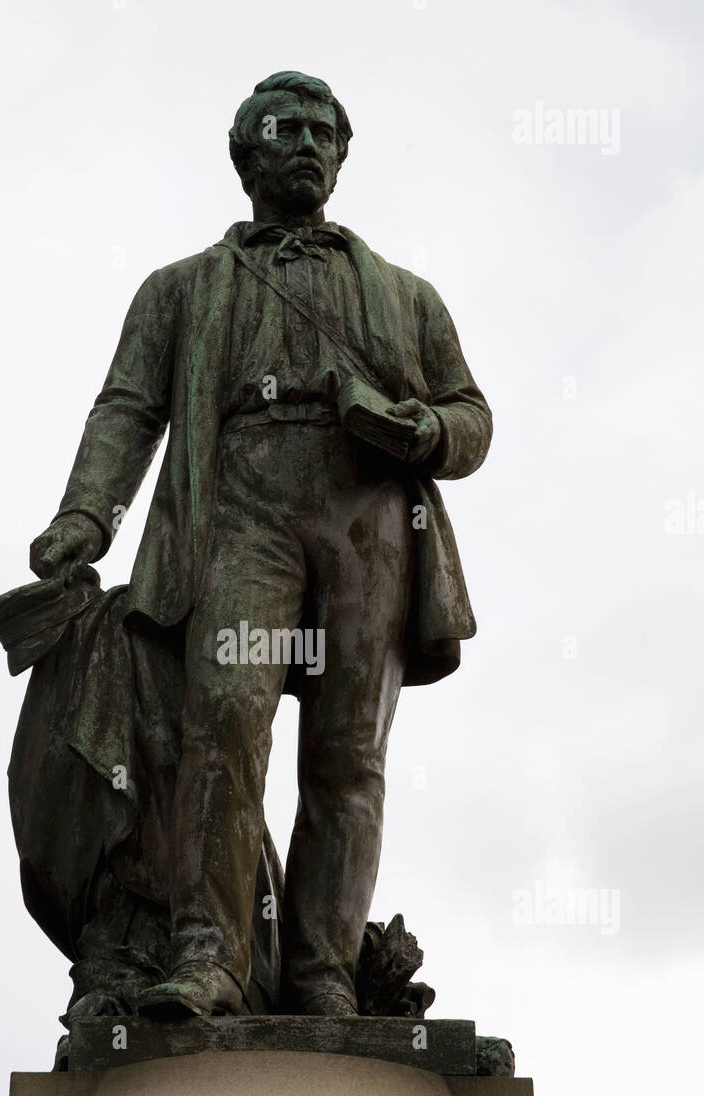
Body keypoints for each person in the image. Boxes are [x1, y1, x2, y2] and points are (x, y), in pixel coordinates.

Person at [29, 71, 492, 1020]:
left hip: (368, 527)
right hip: (239, 513)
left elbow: (472, 417)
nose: (309, 144)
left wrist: (420, 430)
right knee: (226, 722)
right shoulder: (179, 290)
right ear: (246, 154)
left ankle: (325, 971)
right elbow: (128, 408)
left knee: (348, 755)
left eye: (326, 132)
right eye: (288, 129)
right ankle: (209, 958)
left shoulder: (408, 297)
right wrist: (86, 518)